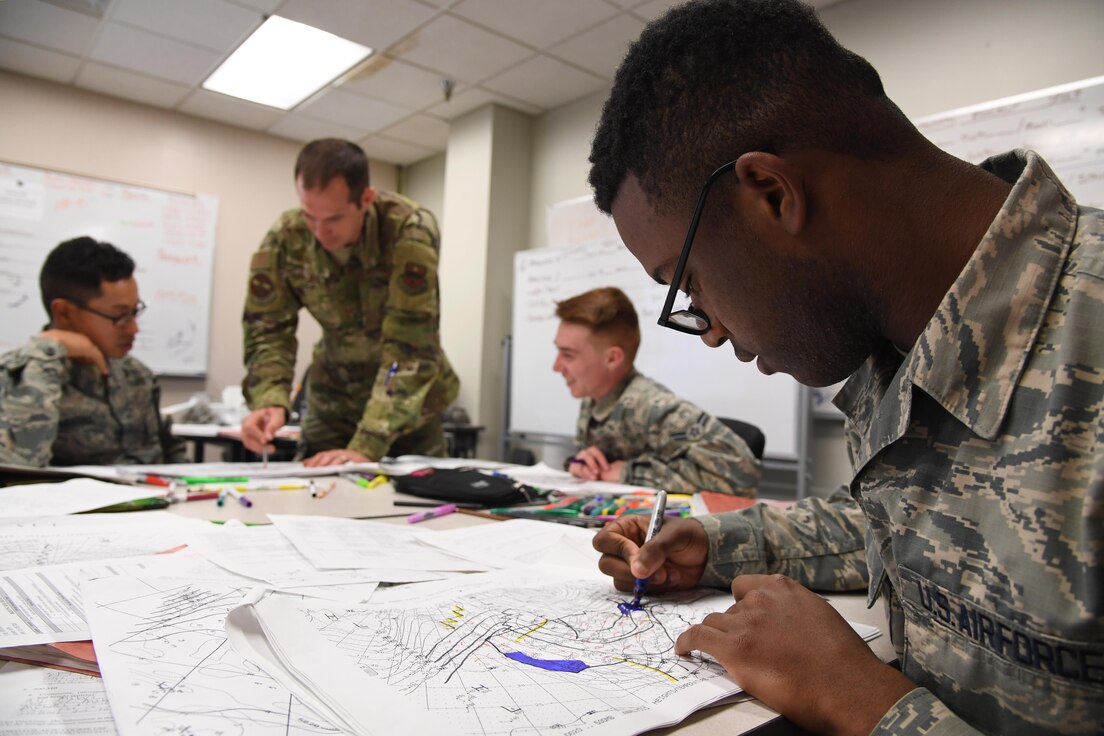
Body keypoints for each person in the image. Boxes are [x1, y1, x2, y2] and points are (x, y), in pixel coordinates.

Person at [587, 1, 1102, 734]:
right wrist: (714, 547)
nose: (708, 332)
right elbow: (918, 531)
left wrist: (863, 703)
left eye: (690, 282)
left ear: (772, 193)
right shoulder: (896, 355)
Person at [241, 138, 459, 467]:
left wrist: (367, 444)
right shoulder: (287, 237)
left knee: (417, 500)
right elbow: (268, 328)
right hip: (333, 398)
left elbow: (410, 346)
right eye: (309, 216)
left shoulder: (408, 230)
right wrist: (270, 397)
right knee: (313, 493)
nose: (319, 231)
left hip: (407, 406)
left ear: (366, 199)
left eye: (334, 219)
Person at [0, 237, 187, 467]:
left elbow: (172, 455)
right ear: (64, 313)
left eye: (135, 312)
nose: (133, 328)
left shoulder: (137, 375)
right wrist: (47, 349)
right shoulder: (19, 376)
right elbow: (17, 470)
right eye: (119, 316)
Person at [553, 287, 759, 495]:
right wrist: (580, 463)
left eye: (568, 355)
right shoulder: (593, 400)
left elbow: (743, 475)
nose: (556, 366)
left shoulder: (653, 407)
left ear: (612, 359)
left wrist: (630, 474)